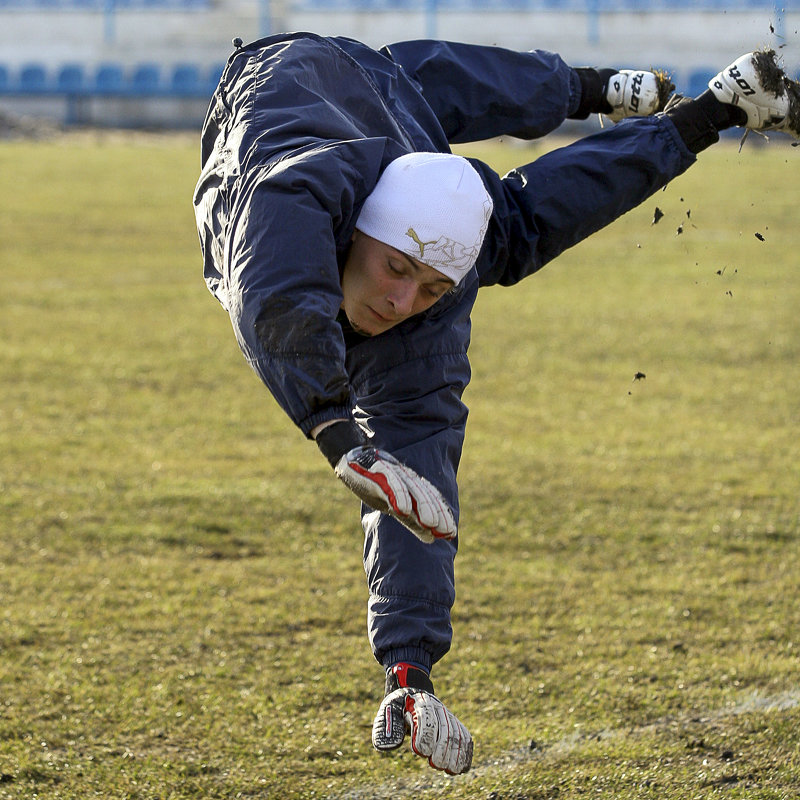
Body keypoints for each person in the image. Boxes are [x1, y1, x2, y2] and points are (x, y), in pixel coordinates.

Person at [193, 38, 799, 775]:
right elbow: (277, 293)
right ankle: (593, 86)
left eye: (430, 289)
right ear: (354, 232)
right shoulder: (292, 197)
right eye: (394, 268)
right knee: (430, 79)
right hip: (289, 74)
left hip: (399, 111)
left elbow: (419, 490)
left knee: (514, 220)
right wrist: (335, 431)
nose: (398, 302)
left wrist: (408, 676)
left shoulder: (431, 308)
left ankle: (720, 104)